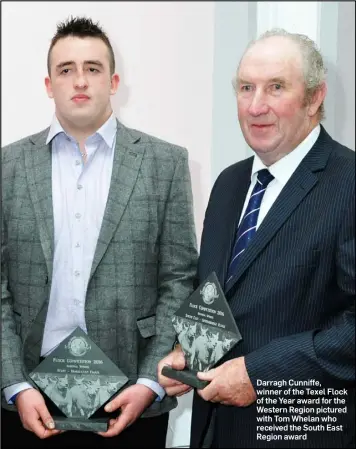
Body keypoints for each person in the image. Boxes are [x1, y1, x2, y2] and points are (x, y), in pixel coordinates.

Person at [1, 16, 198, 448]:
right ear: (49, 84)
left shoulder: (164, 164)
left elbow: (179, 281)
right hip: (29, 398)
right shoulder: (7, 167)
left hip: (131, 394)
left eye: (92, 68)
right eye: (66, 69)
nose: (80, 81)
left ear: (113, 81)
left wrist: (152, 381)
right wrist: (14, 383)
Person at [158, 28, 355, 448]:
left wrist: (260, 375)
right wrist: (189, 351)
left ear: (315, 97)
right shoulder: (229, 184)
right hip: (213, 431)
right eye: (246, 87)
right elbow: (221, 296)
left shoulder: (349, 183)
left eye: (276, 87)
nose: (255, 105)